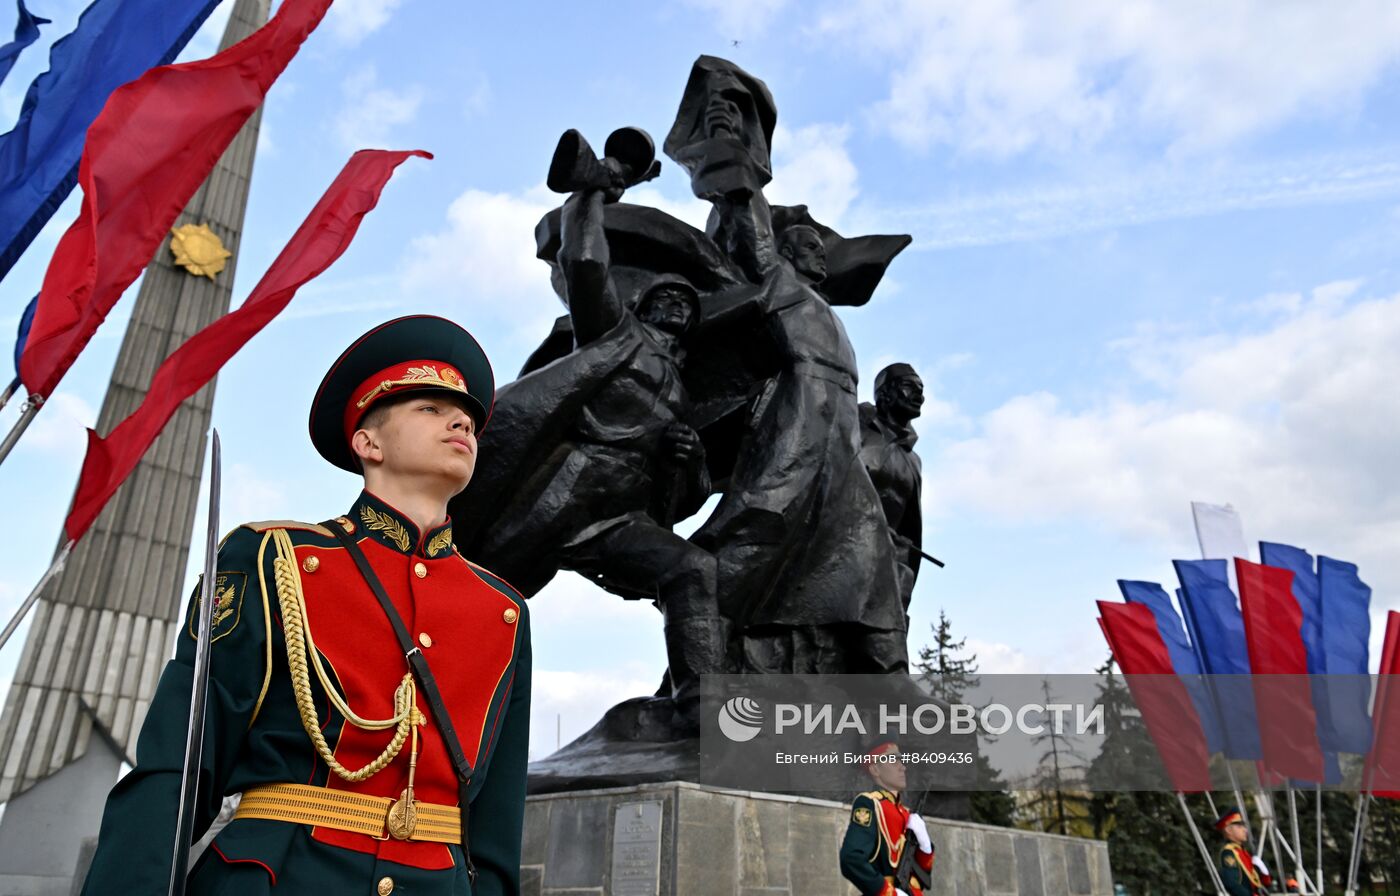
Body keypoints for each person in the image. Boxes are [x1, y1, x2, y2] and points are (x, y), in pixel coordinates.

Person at [80, 315, 531, 895]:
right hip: (280, 875)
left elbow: (495, 824)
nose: (462, 422)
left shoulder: (503, 610)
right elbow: (181, 766)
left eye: (466, 417)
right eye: (429, 408)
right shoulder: (274, 558)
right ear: (368, 443)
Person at [462, 151, 722, 725]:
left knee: (691, 569)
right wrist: (591, 196)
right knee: (479, 594)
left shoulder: (682, 392)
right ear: (642, 307)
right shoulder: (615, 334)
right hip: (565, 492)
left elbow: (685, 492)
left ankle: (701, 709)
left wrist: (689, 460)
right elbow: (584, 264)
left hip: (619, 515)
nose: (677, 305)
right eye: (665, 297)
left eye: (687, 303)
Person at [839, 742, 935, 896]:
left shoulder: (907, 814)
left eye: (901, 760)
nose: (902, 767)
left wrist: (925, 847)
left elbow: (921, 878)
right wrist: (889, 892)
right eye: (893, 760)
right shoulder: (870, 803)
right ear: (875, 769)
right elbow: (852, 858)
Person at [1216, 807, 1267, 896]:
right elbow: (1232, 883)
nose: (1245, 830)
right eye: (1239, 827)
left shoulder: (1242, 852)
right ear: (1228, 830)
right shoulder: (1228, 853)